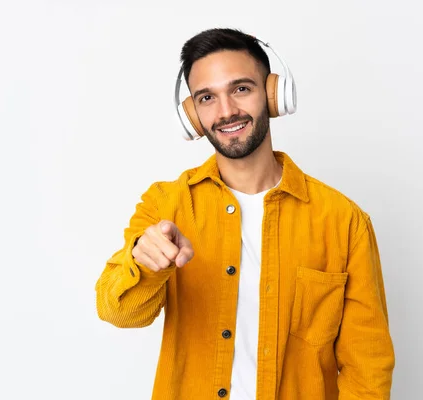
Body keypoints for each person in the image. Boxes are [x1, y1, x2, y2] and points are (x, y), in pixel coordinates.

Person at [95, 28, 395, 400]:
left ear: (273, 94)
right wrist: (145, 261)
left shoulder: (343, 220)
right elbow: (118, 311)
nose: (226, 112)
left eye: (241, 89)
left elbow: (368, 366)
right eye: (207, 97)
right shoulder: (165, 205)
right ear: (192, 114)